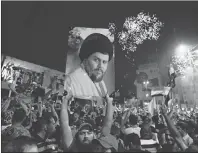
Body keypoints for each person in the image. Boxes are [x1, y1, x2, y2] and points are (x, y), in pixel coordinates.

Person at [64, 33, 114, 101]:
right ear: (85, 60)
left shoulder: (100, 83)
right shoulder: (70, 82)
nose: (100, 66)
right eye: (96, 60)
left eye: (104, 62)